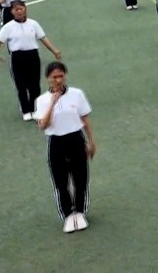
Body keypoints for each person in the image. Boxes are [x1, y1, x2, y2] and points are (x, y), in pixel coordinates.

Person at [34, 61, 96, 234]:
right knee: (60, 181)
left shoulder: (77, 94)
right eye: (55, 77)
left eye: (61, 76)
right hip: (56, 142)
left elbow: (85, 119)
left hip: (76, 139)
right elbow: (43, 125)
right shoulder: (42, 100)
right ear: (48, 79)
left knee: (80, 179)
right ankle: (68, 214)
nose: (59, 80)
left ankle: (80, 212)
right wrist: (53, 103)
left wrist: (91, 141)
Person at [0, 1, 62, 121]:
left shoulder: (33, 24)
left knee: (34, 85)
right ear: (12, 11)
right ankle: (26, 110)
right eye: (16, 9)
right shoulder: (8, 27)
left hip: (32, 56)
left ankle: (35, 109)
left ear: (25, 9)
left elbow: (43, 38)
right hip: (17, 57)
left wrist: (55, 51)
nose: (19, 11)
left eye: (21, 9)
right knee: (21, 85)